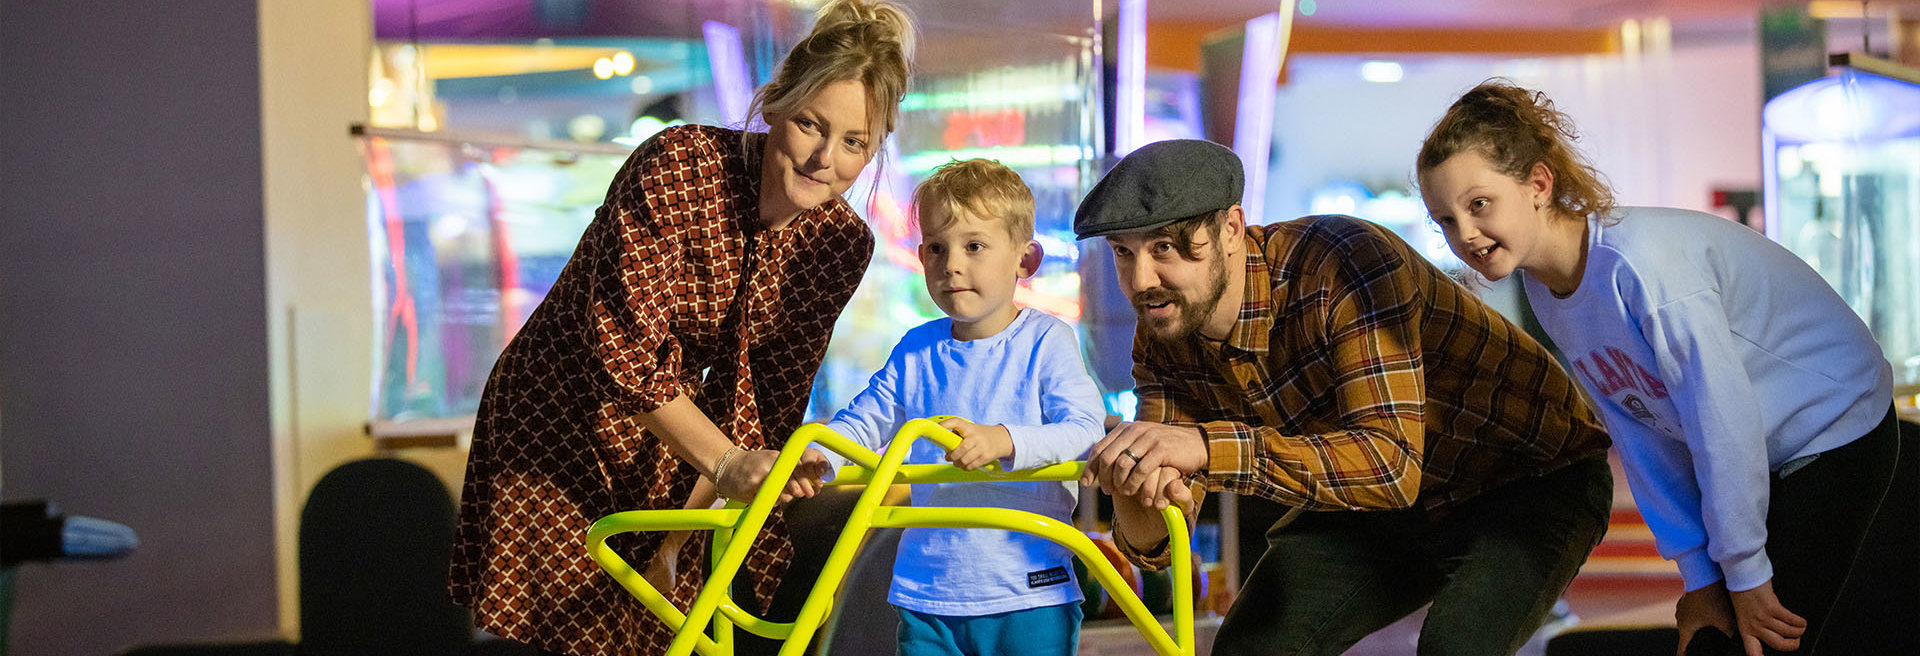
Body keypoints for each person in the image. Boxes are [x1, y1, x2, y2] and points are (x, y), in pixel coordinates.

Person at [446, 2, 914, 654]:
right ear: (775, 105)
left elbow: (765, 408)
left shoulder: (839, 244)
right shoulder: (679, 163)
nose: (824, 158)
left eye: (854, 142)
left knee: (663, 620)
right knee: (575, 629)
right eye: (811, 124)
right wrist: (724, 462)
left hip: (675, 434)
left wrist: (679, 533)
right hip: (561, 405)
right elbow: (620, 351)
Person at [1415, 80, 1918, 656]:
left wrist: (1746, 574)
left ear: (1537, 183)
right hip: (1761, 443)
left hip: (1834, 425)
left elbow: (1719, 423)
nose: (1466, 234)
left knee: (1764, 645)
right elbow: (1642, 431)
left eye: (1478, 204)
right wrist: (1701, 577)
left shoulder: (1639, 266)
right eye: (1445, 220)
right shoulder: (1548, 291)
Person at [1073, 139, 1616, 656]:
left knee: (1457, 645)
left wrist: (1206, 446)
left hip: (1527, 476)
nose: (1143, 279)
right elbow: (1159, 546)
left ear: (1231, 228)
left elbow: (1389, 464)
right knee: (1251, 647)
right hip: (1374, 504)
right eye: (1124, 253)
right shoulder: (1165, 329)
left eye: (1164, 247)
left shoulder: (1343, 262)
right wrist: (1134, 485)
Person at [813, 158, 1105, 656]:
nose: (951, 264)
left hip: (1028, 586)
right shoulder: (915, 349)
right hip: (929, 590)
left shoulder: (1045, 340)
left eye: (974, 246)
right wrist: (823, 455)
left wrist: (1005, 439)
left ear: (1025, 261)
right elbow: (865, 419)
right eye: (936, 247)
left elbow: (1085, 428)